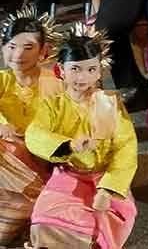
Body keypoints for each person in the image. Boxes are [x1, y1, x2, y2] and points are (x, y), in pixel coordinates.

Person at [25, 24, 138, 249]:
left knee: (102, 222)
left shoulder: (107, 102)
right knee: (44, 221)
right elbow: (34, 133)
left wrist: (108, 189)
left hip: (105, 177)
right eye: (75, 69)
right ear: (61, 70)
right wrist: (68, 145)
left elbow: (125, 147)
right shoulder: (52, 104)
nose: (83, 77)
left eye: (90, 69)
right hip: (69, 176)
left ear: (99, 71)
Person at [0, 7, 61, 245]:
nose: (17, 55)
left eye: (28, 47)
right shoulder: (2, 80)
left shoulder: (56, 84)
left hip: (41, 161)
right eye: (11, 46)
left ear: (43, 51)